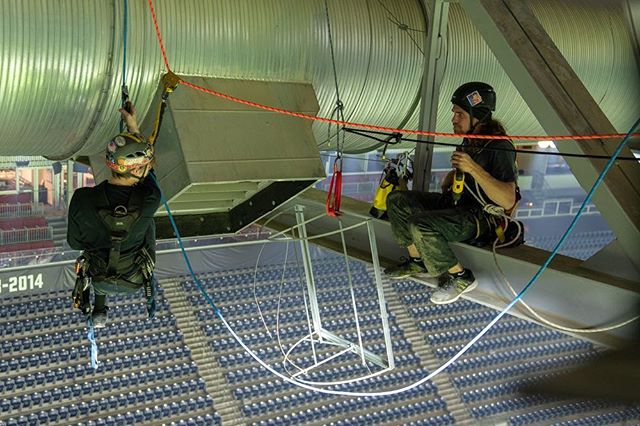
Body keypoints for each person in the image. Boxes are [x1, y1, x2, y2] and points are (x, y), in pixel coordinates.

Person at [384, 82, 519, 304]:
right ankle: (418, 261)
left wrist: (473, 169)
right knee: (398, 200)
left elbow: (507, 199)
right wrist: (456, 175)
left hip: (481, 216)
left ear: (477, 115)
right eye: (454, 113)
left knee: (420, 223)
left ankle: (461, 277)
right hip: (458, 205)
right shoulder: (470, 142)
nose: (454, 119)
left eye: (459, 114)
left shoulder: (500, 146)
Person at [67, 104, 162, 327]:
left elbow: (75, 242)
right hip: (133, 278)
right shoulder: (149, 199)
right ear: (138, 171)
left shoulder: (82, 199)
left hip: (110, 276)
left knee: (101, 253)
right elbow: (149, 176)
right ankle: (98, 310)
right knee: (147, 227)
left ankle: (99, 310)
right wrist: (133, 127)